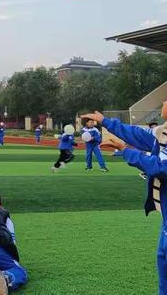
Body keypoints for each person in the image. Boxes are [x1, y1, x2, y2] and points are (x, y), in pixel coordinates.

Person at [81, 108, 167, 294]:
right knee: (163, 262)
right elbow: (136, 134)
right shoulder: (162, 133)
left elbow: (159, 168)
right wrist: (105, 121)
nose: (164, 102)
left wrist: (125, 151)